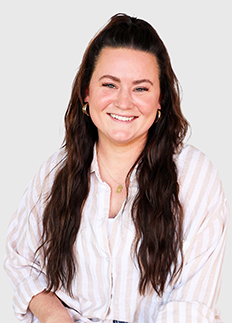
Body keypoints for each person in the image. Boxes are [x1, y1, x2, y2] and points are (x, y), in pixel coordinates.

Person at [4, 13, 229, 323]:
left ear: (161, 98)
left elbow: (190, 305)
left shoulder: (194, 175)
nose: (124, 102)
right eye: (109, 84)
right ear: (86, 92)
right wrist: (58, 318)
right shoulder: (56, 170)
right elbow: (21, 262)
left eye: (141, 88)